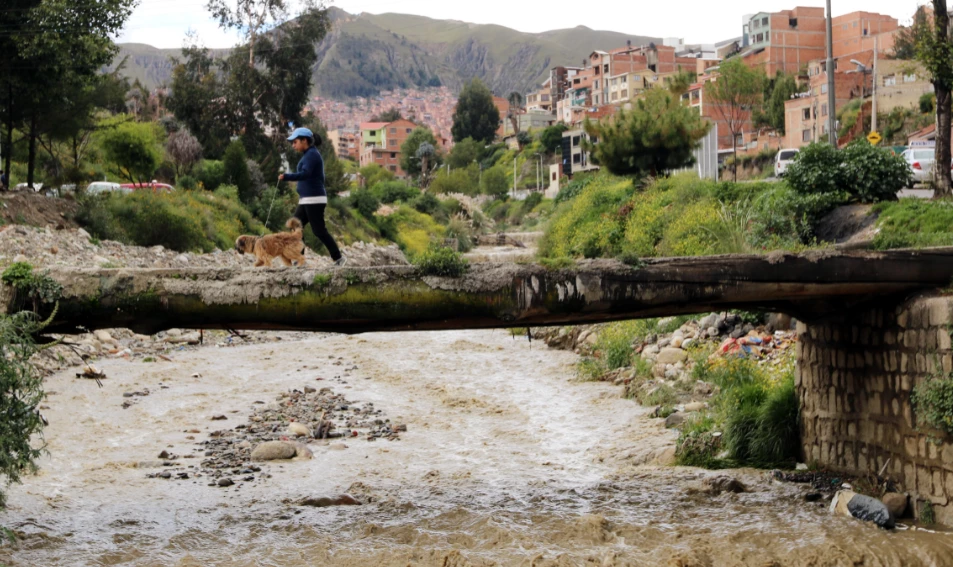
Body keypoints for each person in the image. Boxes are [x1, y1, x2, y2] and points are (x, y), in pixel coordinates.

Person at [278, 127, 346, 266]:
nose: (293, 145)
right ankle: (300, 260)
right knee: (295, 227)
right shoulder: (308, 155)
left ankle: (338, 258)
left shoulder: (312, 155)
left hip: (314, 200)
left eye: (295, 141)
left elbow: (305, 174)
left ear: (304, 140)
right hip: (306, 200)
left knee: (319, 230)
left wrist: (287, 176)